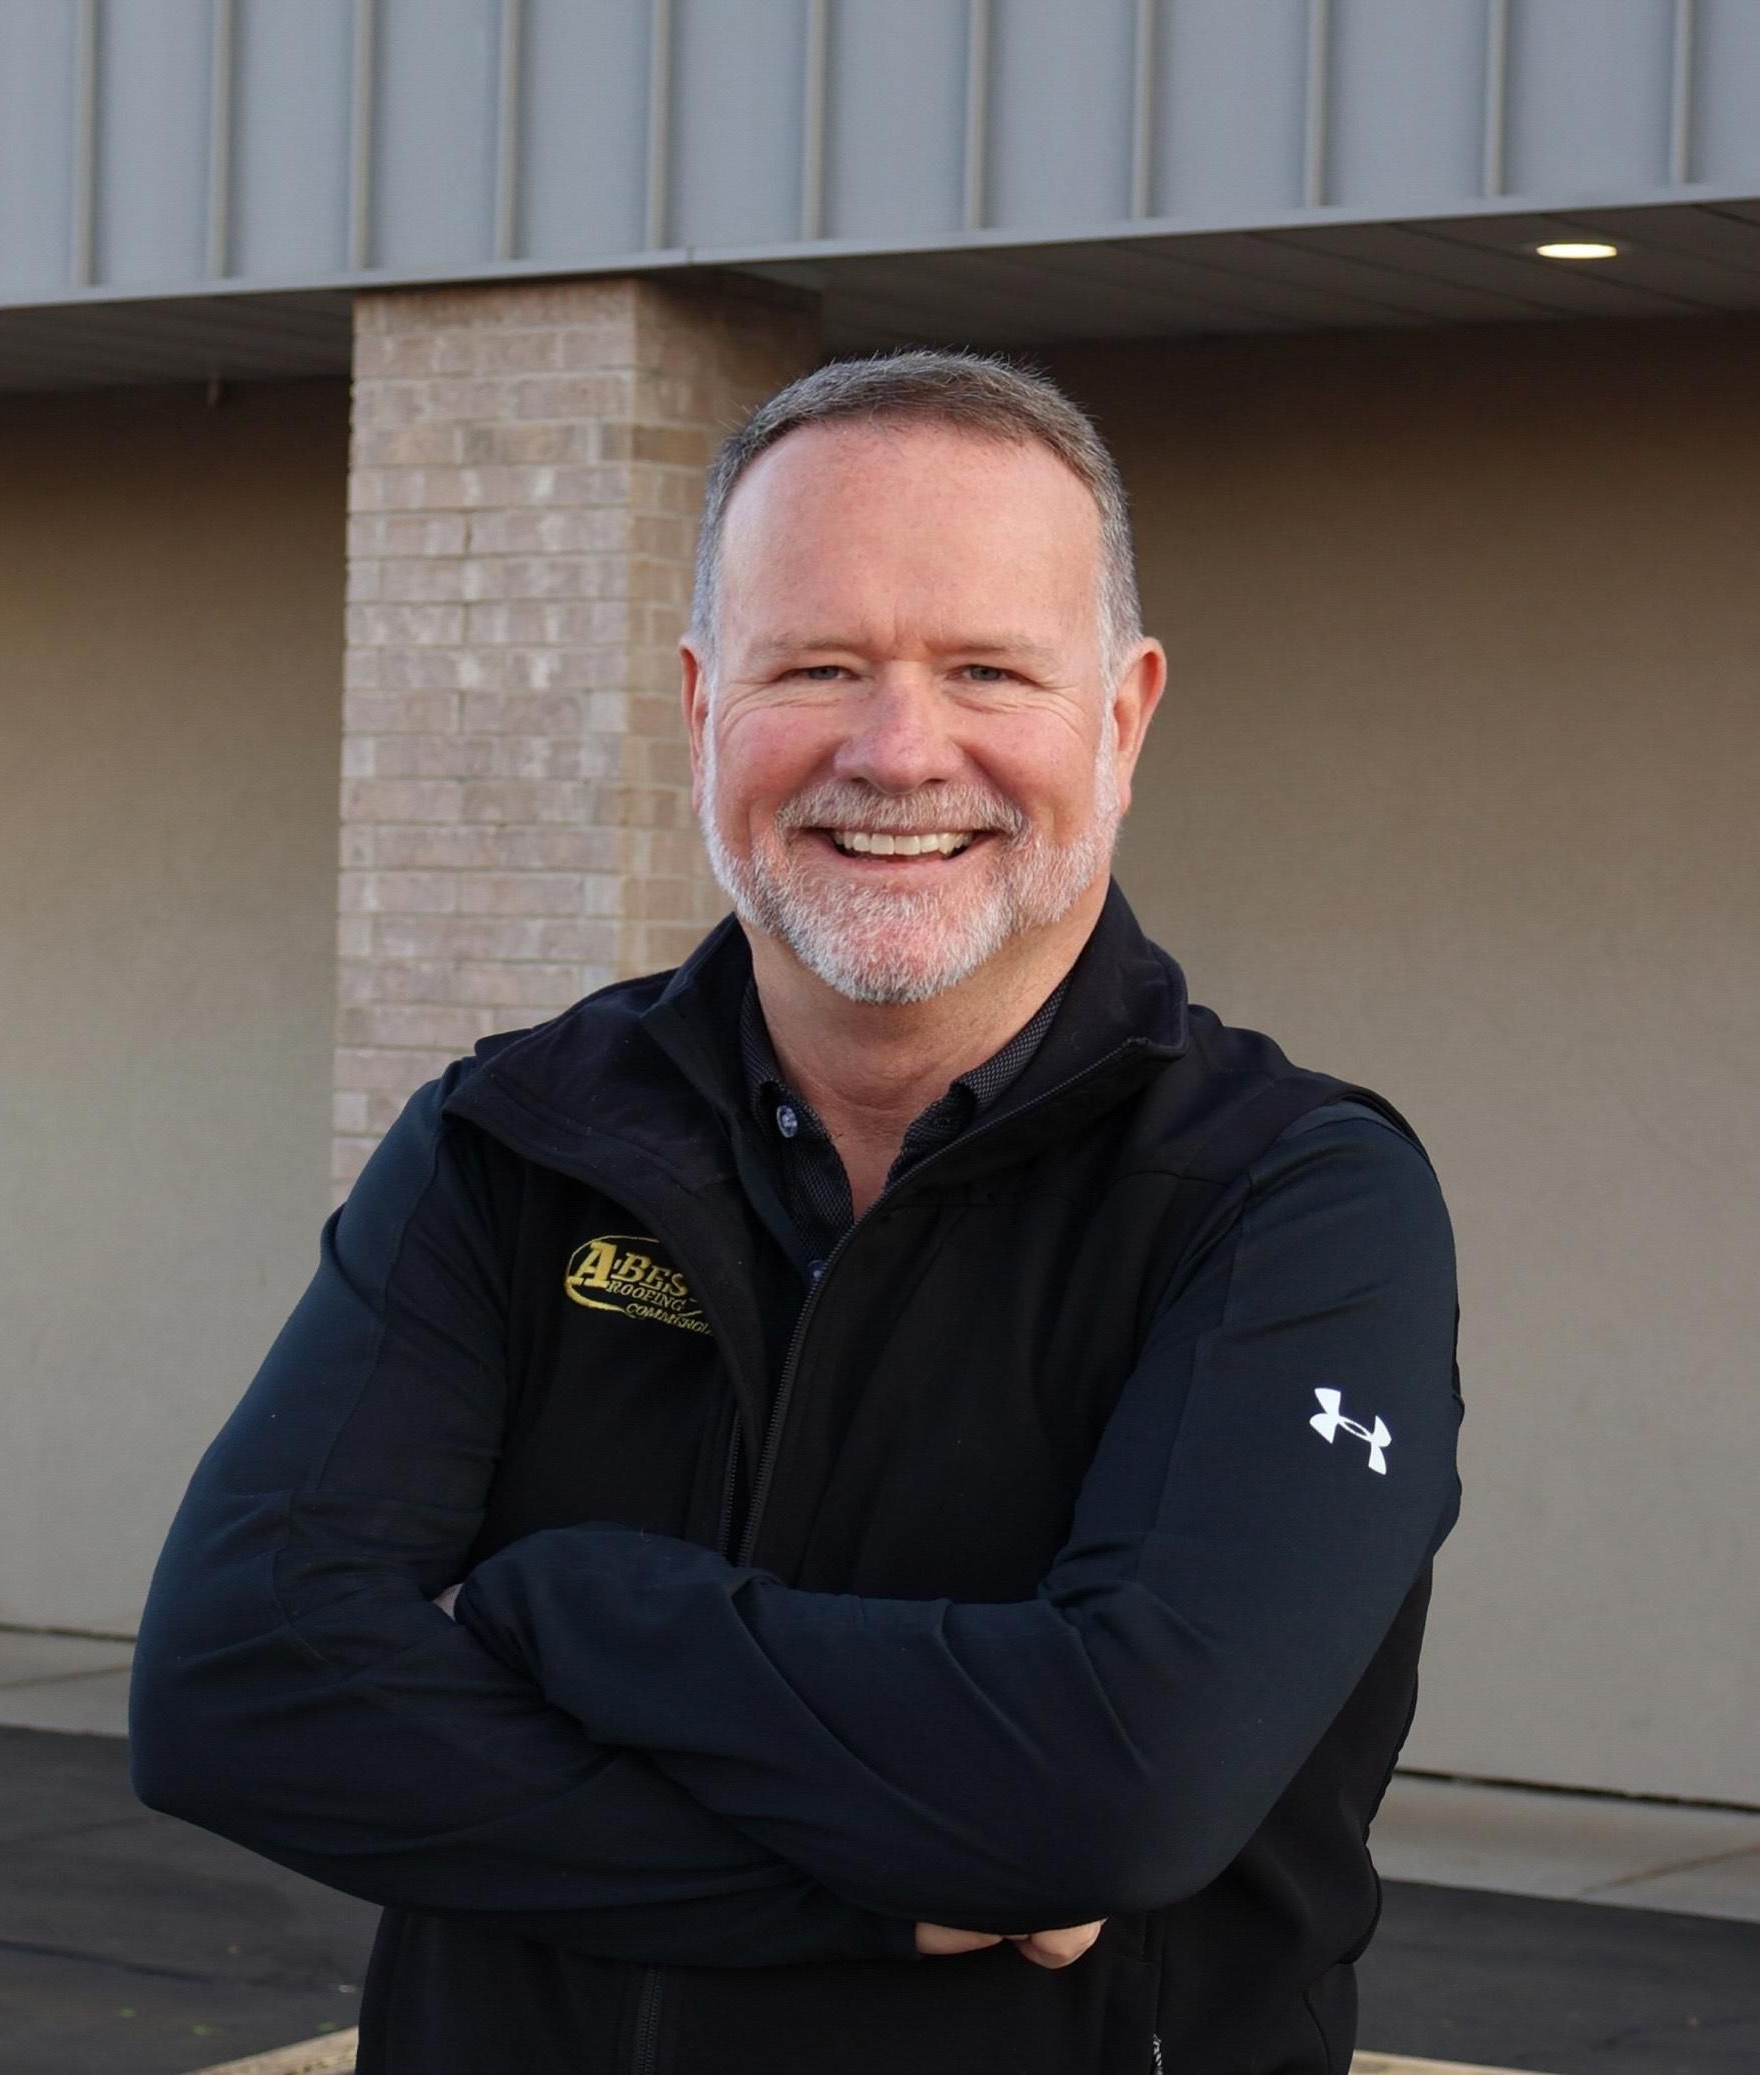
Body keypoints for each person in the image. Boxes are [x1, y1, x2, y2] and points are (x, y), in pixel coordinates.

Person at [131, 351, 1461, 2075]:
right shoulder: (516, 1140)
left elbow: (1118, 1791)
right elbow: (238, 1694)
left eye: (988, 667)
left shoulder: (1291, 1204)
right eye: (817, 666)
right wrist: (878, 1891)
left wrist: (561, 1607)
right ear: (703, 711)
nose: (899, 751)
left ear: (1122, 720)